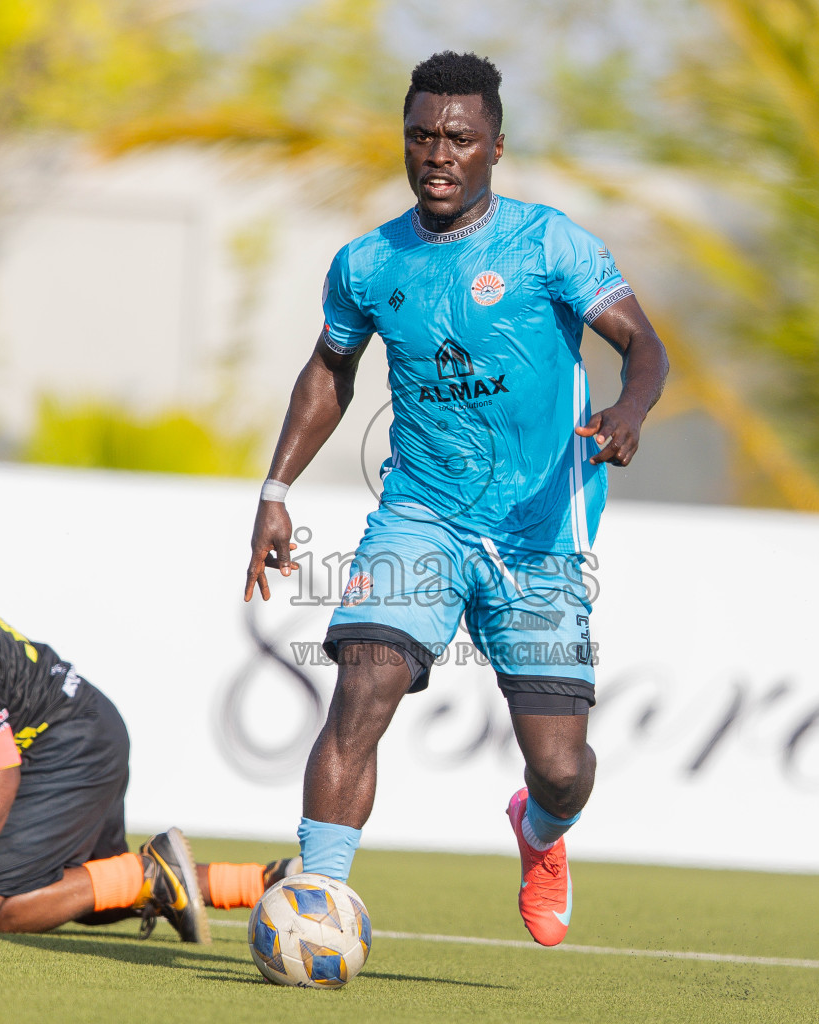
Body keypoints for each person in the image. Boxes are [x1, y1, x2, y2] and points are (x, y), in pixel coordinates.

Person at [243, 51, 668, 946]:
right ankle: (319, 902)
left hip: (538, 537)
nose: (438, 154)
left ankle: (541, 832)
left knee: (561, 770)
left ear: (495, 148)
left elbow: (643, 344)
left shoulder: (548, 244)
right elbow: (331, 370)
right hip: (421, 517)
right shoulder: (366, 262)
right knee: (363, 682)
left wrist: (629, 409)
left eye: (459, 139)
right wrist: (276, 487)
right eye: (422, 136)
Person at [0, 527, 296, 939]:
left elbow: (0, 769)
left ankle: (150, 873)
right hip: (69, 738)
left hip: (67, 744)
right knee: (84, 895)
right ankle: (267, 883)